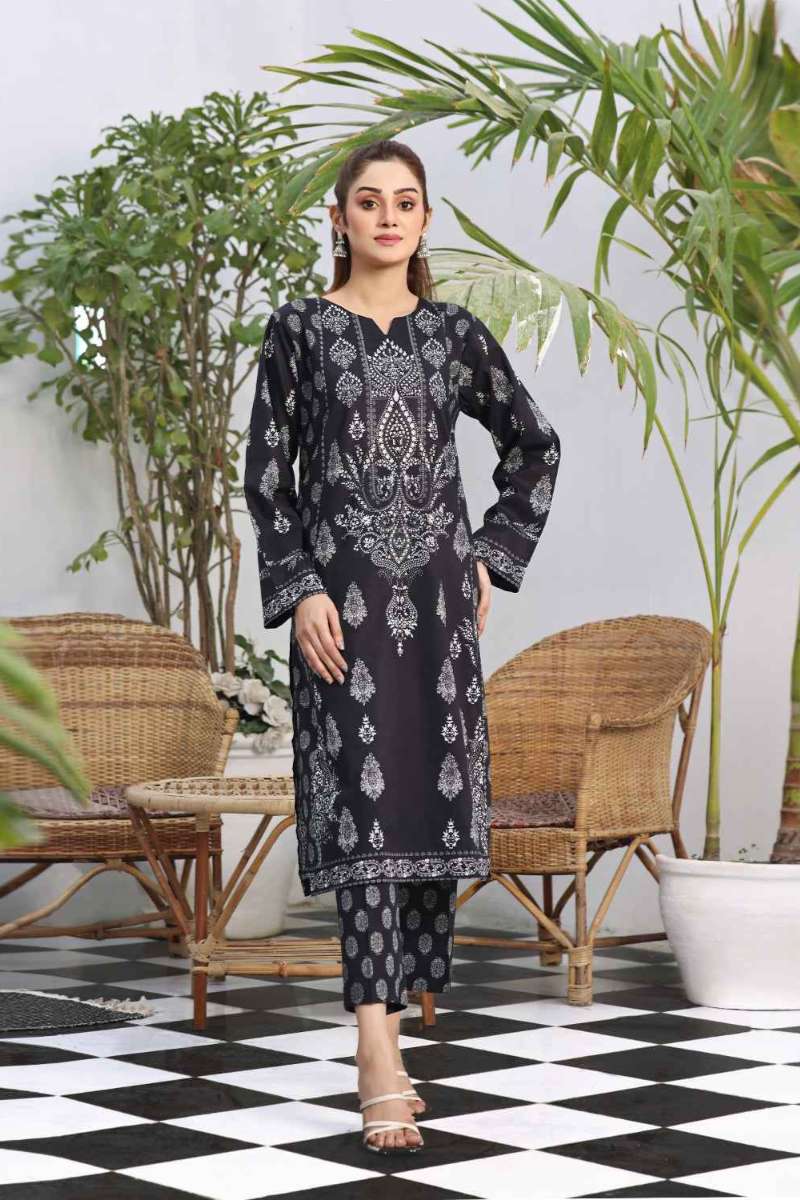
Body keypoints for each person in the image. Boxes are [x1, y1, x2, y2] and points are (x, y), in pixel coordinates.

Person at [244, 139, 561, 1155]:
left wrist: (490, 556)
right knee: (364, 810)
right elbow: (268, 480)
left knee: (423, 812)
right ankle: (374, 1050)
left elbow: (534, 446)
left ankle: (392, 1029)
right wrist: (299, 590)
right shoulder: (298, 331)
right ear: (338, 218)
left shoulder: (452, 337)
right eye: (370, 201)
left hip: (434, 617)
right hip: (340, 616)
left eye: (406, 202)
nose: (388, 216)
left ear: (424, 220)